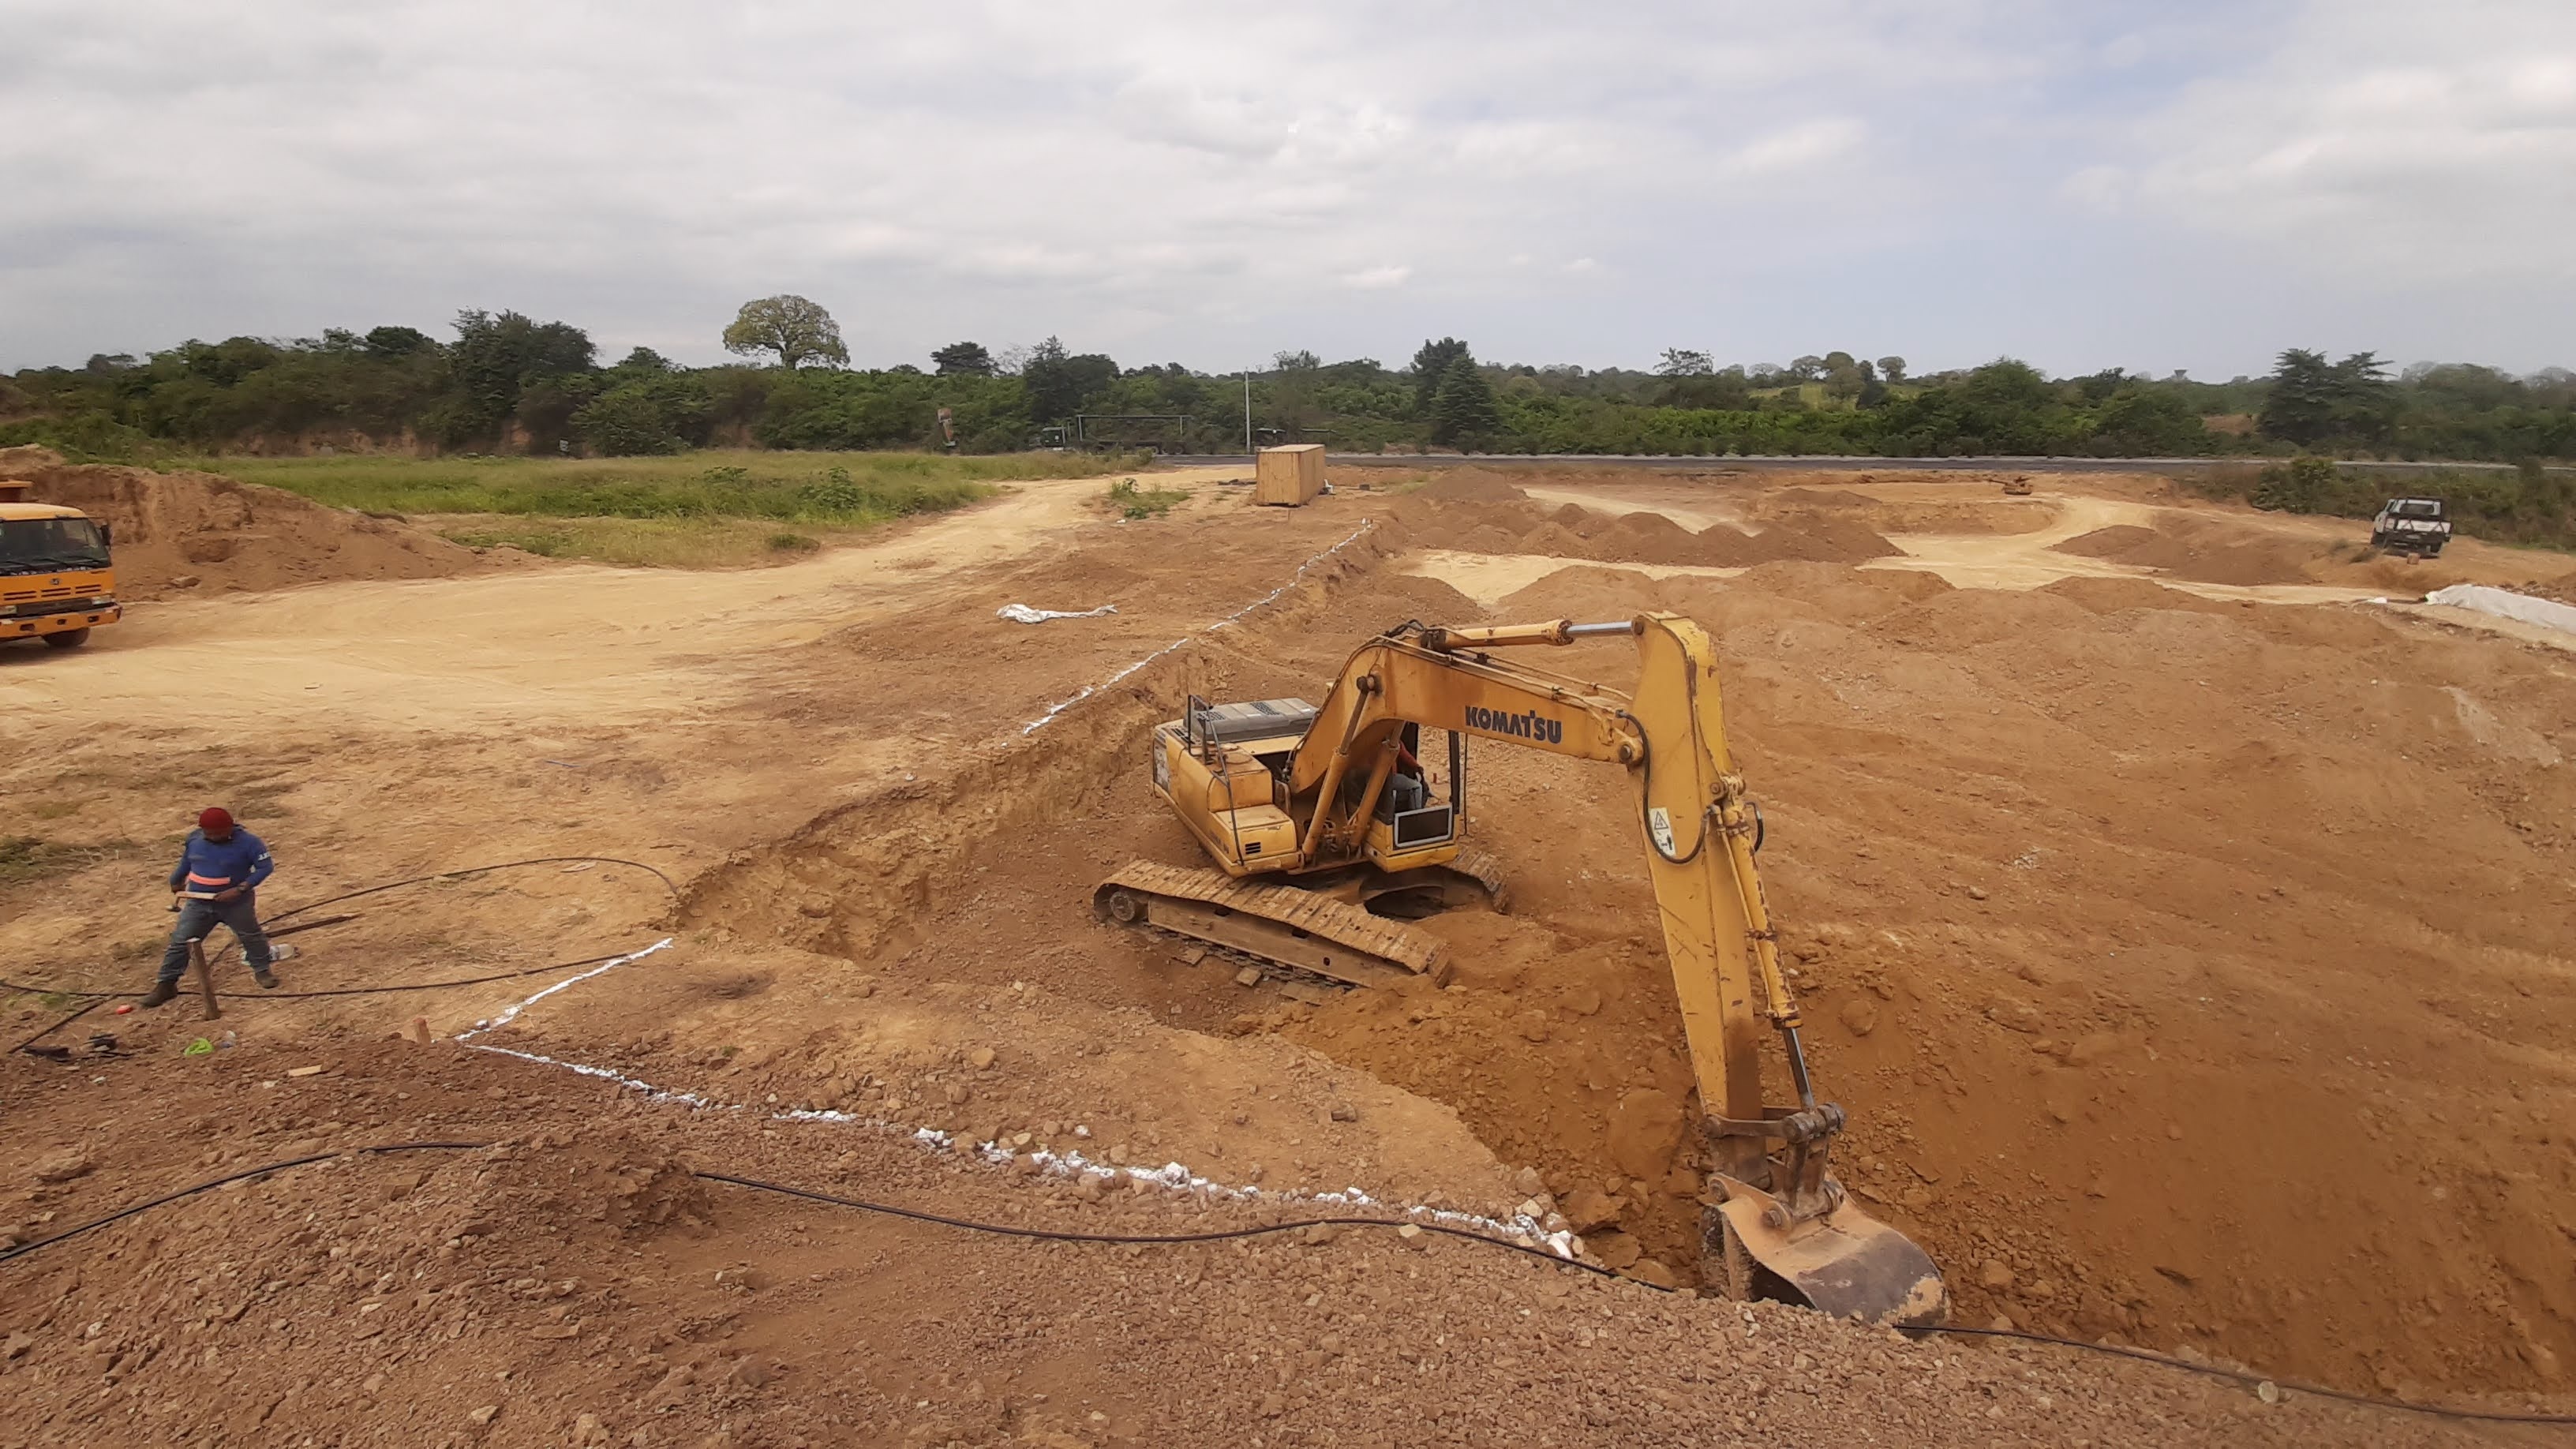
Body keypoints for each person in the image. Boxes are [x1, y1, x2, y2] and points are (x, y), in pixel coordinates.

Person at [140, 807, 279, 1008]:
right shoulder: (195, 840)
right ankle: (166, 984)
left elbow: (265, 868)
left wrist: (240, 889)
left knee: (250, 935)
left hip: (236, 903)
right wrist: (176, 879)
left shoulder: (250, 843)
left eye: (219, 833)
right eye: (209, 833)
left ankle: (262, 970)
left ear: (230, 827)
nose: (214, 837)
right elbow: (187, 861)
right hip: (198, 902)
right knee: (181, 941)